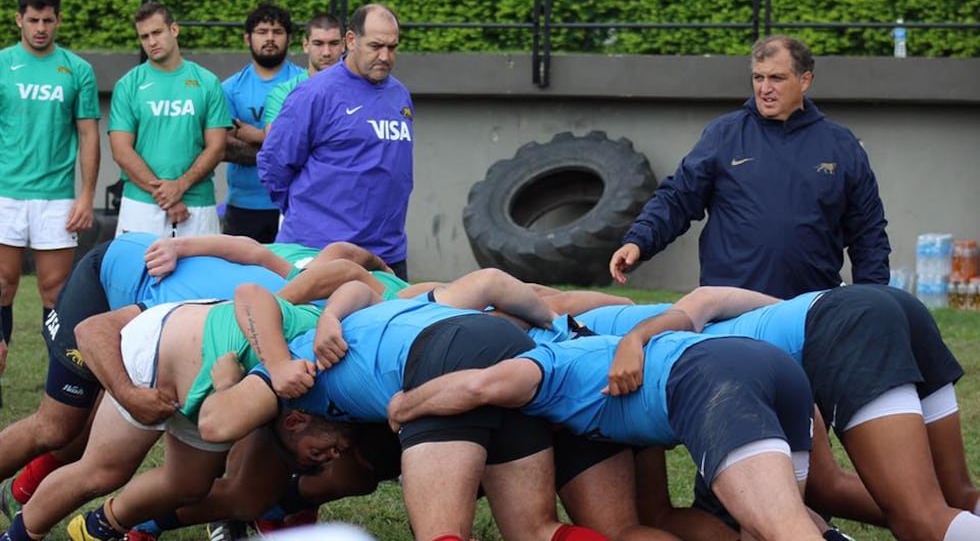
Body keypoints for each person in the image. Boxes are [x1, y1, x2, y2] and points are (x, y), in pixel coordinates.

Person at [198, 282, 610, 541]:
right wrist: (332, 316)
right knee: (535, 531)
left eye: (315, 454)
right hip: (504, 346)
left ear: (294, 421)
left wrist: (235, 380)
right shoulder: (363, 320)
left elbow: (216, 424)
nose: (332, 457)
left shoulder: (294, 373)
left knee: (441, 536)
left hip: (440, 358)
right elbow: (359, 286)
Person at [385, 311, 824, 540]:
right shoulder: (595, 353)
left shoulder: (547, 362)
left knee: (784, 530)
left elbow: (479, 386)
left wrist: (405, 405)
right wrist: (636, 339)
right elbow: (681, 316)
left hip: (708, 378)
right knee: (768, 528)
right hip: (772, 367)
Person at [607, 284, 980, 541]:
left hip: (847, 322)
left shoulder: (637, 340)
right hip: (872, 304)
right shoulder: (718, 326)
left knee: (920, 519)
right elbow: (824, 486)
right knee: (954, 497)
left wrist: (635, 339)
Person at [0, 286, 351, 541]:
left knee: (189, 484)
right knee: (103, 471)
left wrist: (231, 385)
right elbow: (253, 293)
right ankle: (18, 536)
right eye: (327, 450)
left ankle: (99, 528)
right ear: (296, 421)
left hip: (211, 386)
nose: (333, 455)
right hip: (162, 353)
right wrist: (279, 359)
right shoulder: (314, 348)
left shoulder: (330, 385)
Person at [0, 232, 292, 523]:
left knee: (88, 432)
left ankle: (18, 493)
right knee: (57, 428)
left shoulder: (302, 292)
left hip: (165, 293)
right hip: (110, 281)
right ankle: (23, 499)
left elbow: (254, 248)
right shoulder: (200, 313)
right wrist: (129, 395)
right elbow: (91, 331)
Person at [609, 35, 891, 299]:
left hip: (808, 308)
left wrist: (874, 300)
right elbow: (678, 198)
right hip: (730, 307)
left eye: (777, 78)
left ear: (804, 81)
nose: (765, 89)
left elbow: (868, 232)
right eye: (758, 77)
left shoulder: (841, 145)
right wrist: (639, 240)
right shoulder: (724, 135)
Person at [258, 4, 413, 280]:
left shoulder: (400, 94)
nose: (385, 56)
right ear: (351, 40)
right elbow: (274, 164)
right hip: (319, 251)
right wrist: (308, 217)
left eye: (392, 47)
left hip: (386, 255)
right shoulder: (315, 93)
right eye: (376, 46)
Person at [0, 0, 100, 398]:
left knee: (54, 291)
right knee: (3, 285)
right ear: (19, 19)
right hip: (5, 194)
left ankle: (56, 387)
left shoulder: (77, 69)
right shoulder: (3, 64)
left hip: (57, 197)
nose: (40, 28)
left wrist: (86, 194)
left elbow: (89, 135)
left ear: (58, 21)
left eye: (47, 21)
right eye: (33, 20)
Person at [109, 2, 231, 238]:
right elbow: (121, 151)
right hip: (141, 205)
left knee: (200, 265)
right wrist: (168, 197)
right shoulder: (128, 85)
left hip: (197, 205)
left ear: (174, 29)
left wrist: (180, 186)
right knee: (136, 265)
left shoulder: (207, 82)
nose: (151, 42)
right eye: (144, 37)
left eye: (157, 32)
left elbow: (217, 147)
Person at [222, 2, 305, 243]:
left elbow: (309, 147)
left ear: (289, 39)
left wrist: (257, 137)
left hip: (294, 204)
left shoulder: (305, 84)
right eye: (262, 32)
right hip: (243, 205)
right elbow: (225, 148)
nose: (270, 38)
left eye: (277, 32)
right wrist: (282, 152)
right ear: (247, 38)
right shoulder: (230, 88)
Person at [262, 13, 344, 132]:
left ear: (344, 45)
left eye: (334, 43)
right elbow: (276, 140)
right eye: (318, 44)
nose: (326, 52)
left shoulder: (360, 88)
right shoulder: (282, 93)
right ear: (306, 45)